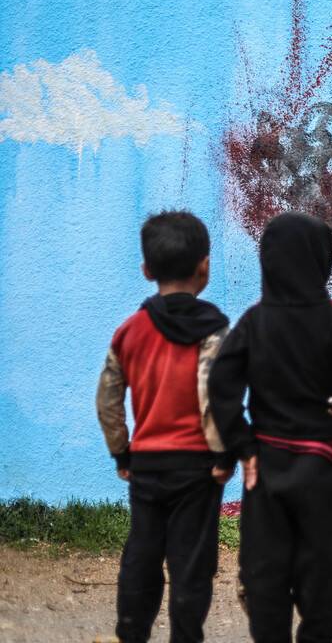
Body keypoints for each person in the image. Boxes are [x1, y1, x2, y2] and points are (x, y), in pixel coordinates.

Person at [208, 212, 332, 642]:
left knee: (265, 574)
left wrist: (242, 445)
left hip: (264, 466)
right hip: (321, 467)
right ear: (322, 262)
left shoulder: (254, 322)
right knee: (319, 568)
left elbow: (221, 383)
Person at [96, 210, 233, 643]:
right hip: (197, 468)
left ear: (147, 270)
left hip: (148, 465)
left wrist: (122, 451)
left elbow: (108, 399)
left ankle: (131, 632)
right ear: (204, 266)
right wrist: (222, 453)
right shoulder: (214, 329)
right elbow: (213, 393)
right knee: (191, 563)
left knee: (142, 551)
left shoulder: (129, 331)